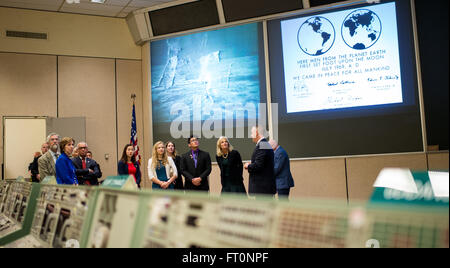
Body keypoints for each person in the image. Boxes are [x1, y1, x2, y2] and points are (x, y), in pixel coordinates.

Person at [244, 126, 276, 196]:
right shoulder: (264, 144)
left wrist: (248, 165)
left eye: (252, 133)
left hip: (262, 188)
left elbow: (258, 165)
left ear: (256, 133)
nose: (251, 135)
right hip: (264, 187)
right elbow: (262, 163)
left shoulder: (263, 145)